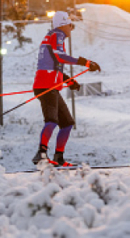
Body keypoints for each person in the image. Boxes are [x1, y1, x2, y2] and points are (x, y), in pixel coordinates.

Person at [31, 10, 101, 167]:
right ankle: (41, 154)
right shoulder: (57, 35)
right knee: (52, 120)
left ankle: (58, 158)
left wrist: (69, 81)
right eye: (71, 25)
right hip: (46, 86)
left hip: (49, 85)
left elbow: (53, 65)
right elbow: (60, 56)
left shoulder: (52, 36)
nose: (71, 28)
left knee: (67, 122)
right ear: (63, 24)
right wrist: (86, 62)